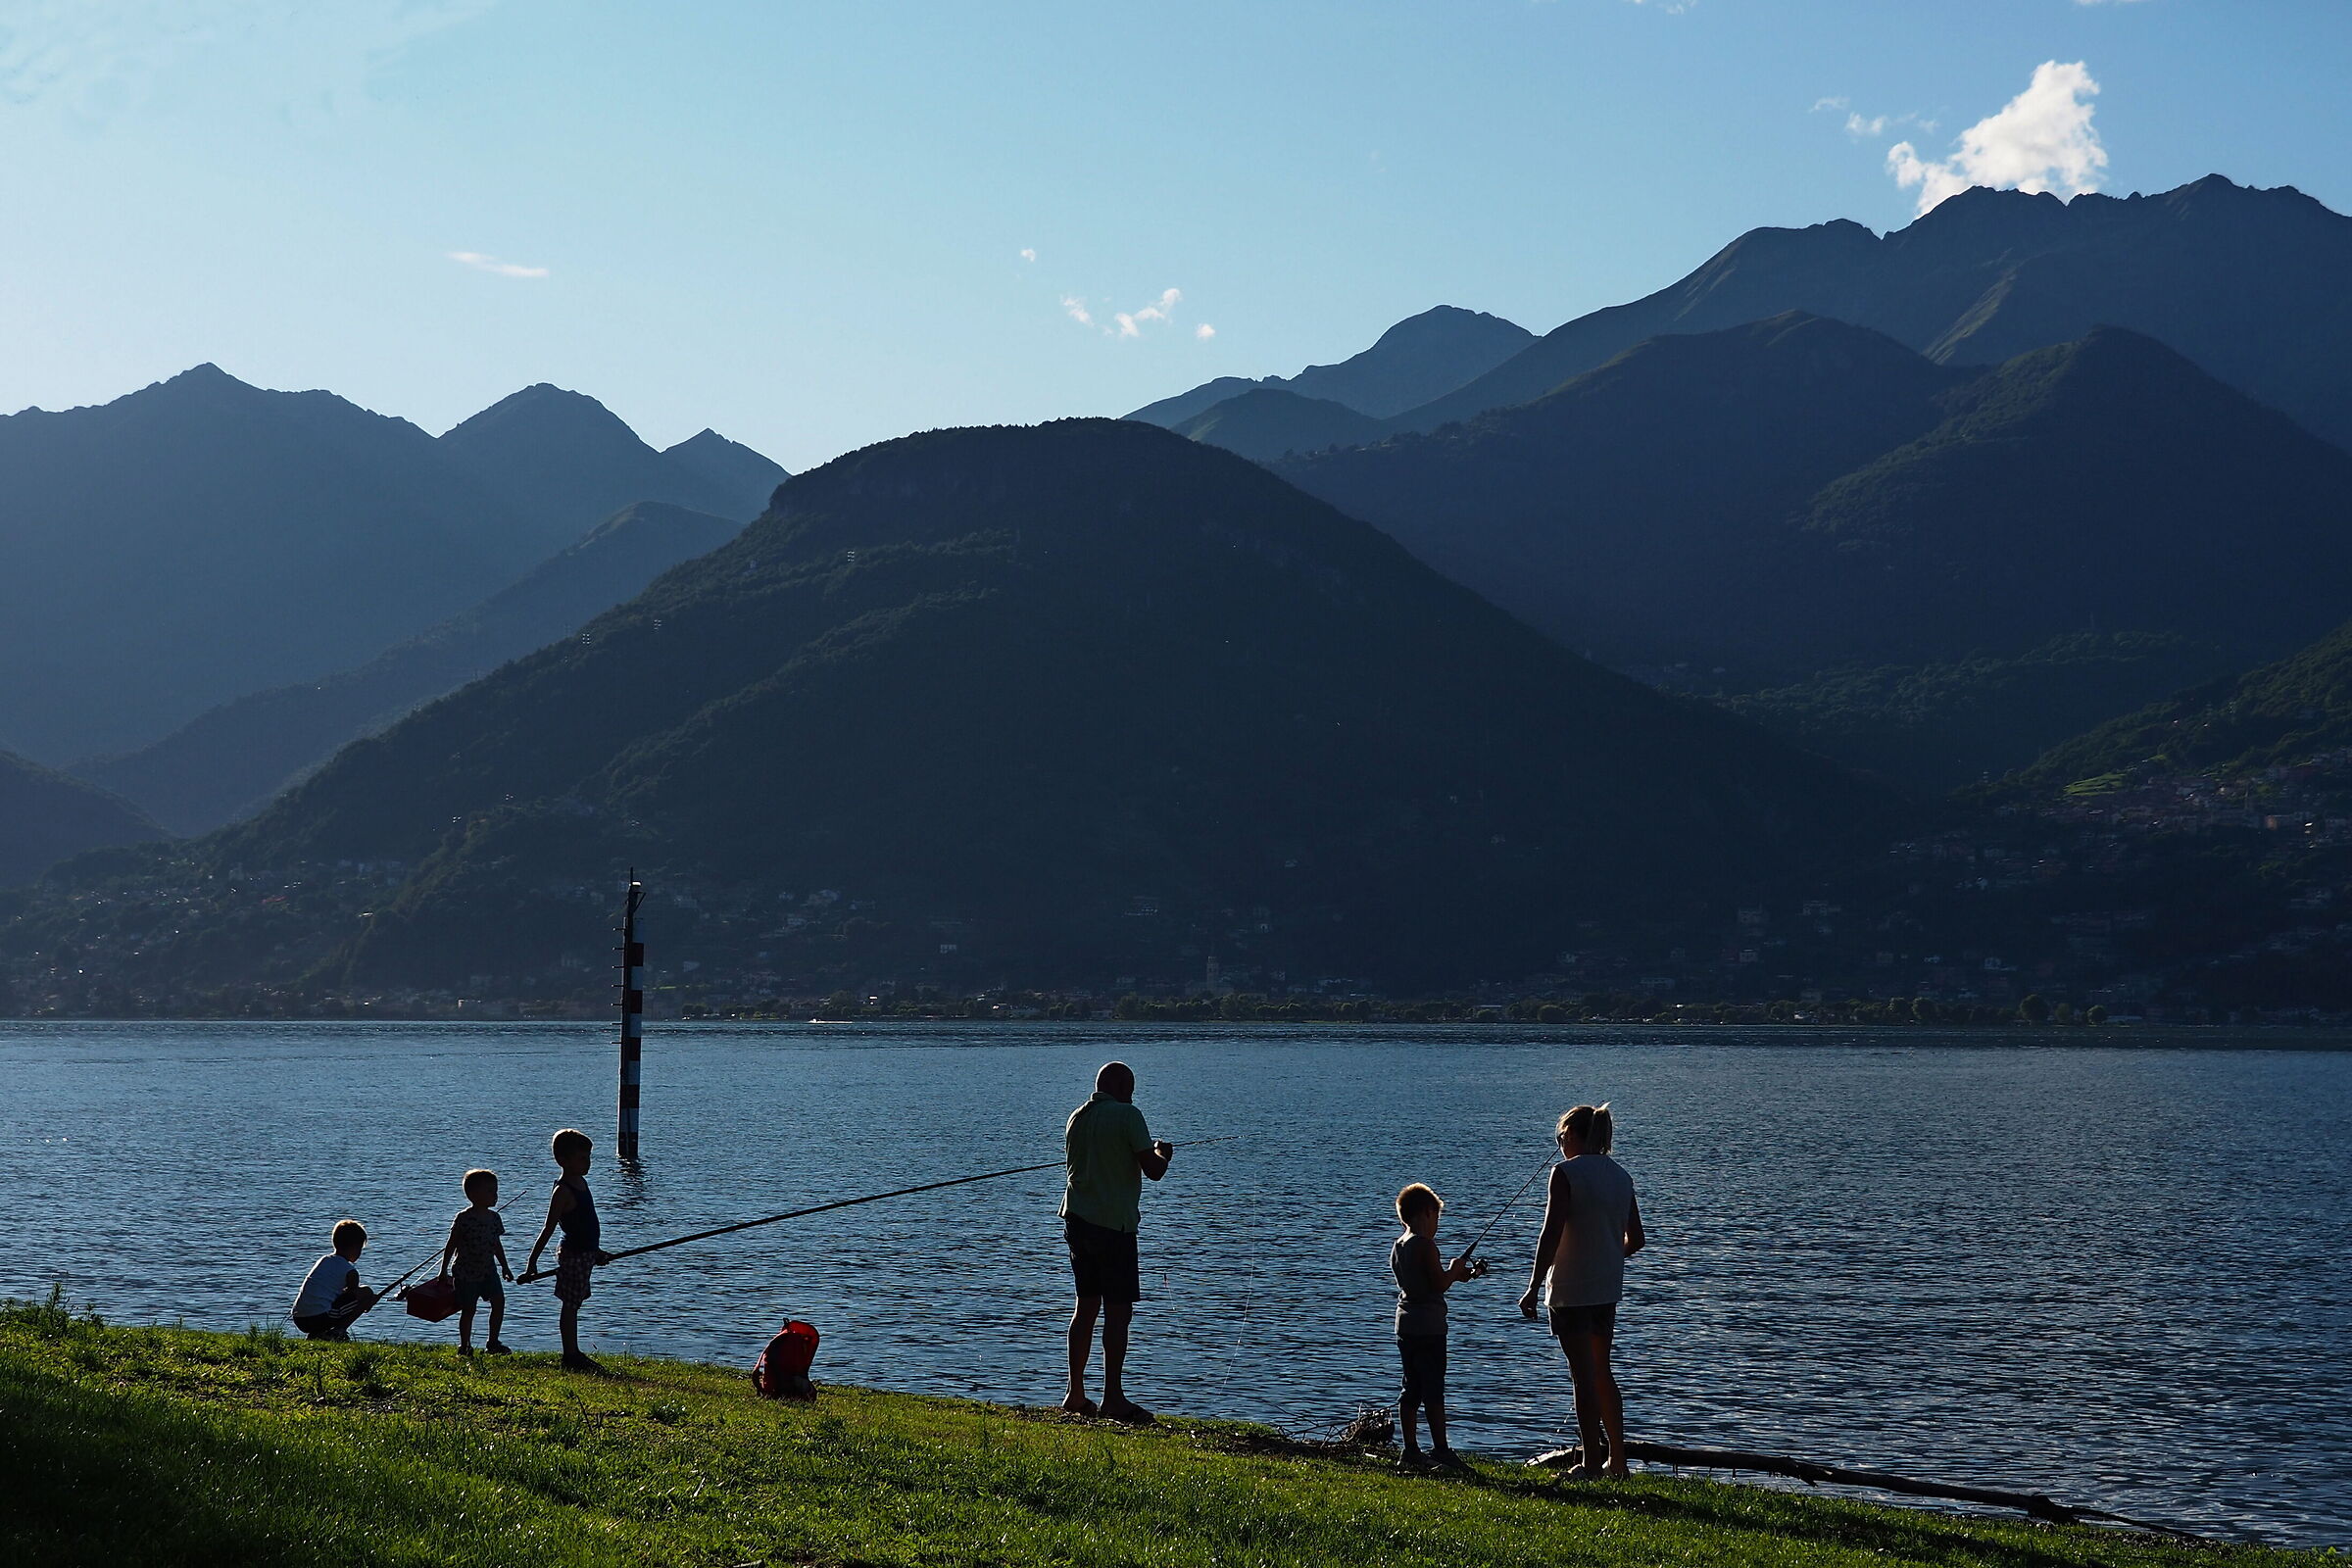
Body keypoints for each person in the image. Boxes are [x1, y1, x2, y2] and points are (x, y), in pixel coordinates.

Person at [1519, 1102, 1645, 1478]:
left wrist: (1532, 1286)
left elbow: (1551, 1232)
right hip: (1606, 1289)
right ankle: (1617, 1462)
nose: (1559, 1144)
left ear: (1573, 1135)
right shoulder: (1622, 1176)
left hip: (1570, 1289)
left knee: (1582, 1376)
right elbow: (1636, 1238)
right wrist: (1608, 1256)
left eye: (1560, 1136)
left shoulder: (1564, 1173)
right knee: (1602, 1371)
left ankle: (1590, 1464)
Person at [1059, 1060, 1172, 1422]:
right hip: (1113, 1226)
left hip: (1076, 1222)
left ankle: (1075, 1394)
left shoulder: (1077, 1117)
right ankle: (1113, 1399)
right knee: (1118, 1312)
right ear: (1122, 1087)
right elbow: (1153, 1171)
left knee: (1085, 1309)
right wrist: (1162, 1153)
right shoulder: (1128, 1115)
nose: (1133, 1095)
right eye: (1131, 1089)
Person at [1392, 1182, 1481, 1468]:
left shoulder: (1399, 1245)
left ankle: (1410, 1450)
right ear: (1428, 1213)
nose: (1437, 1225)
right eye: (1437, 1218)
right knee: (1433, 1389)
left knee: (1411, 1388)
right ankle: (1441, 1449)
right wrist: (1454, 1272)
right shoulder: (1426, 1245)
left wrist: (1461, 1275)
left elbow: (1426, 1282)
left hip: (1405, 1324)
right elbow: (1440, 1284)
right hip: (1429, 1328)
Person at [522, 1128, 612, 1371]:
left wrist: (596, 1252)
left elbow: (584, 1226)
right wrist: (532, 1262)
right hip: (573, 1255)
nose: (588, 1163)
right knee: (570, 1305)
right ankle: (570, 1355)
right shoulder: (562, 1191)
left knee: (576, 1302)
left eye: (589, 1157)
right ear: (563, 1160)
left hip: (585, 1253)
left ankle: (572, 1352)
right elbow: (549, 1228)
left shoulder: (582, 1183)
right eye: (582, 1158)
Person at [441, 1167, 514, 1357]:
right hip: (465, 1272)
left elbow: (496, 1244)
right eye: (490, 1191)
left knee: (498, 1302)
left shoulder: (494, 1218)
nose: (495, 1195)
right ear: (473, 1194)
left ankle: (493, 1342)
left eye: (495, 1191)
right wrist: (443, 1270)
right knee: (469, 1309)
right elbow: (451, 1244)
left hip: (488, 1270)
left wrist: (505, 1266)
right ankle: (464, 1346)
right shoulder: (464, 1218)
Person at [290, 1219, 379, 1342]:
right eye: (360, 1249)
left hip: (299, 1318)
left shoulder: (324, 1260)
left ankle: (318, 1334)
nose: (360, 1253)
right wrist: (369, 1301)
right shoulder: (350, 1272)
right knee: (367, 1293)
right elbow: (353, 1296)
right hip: (318, 1317)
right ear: (355, 1247)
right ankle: (339, 1331)